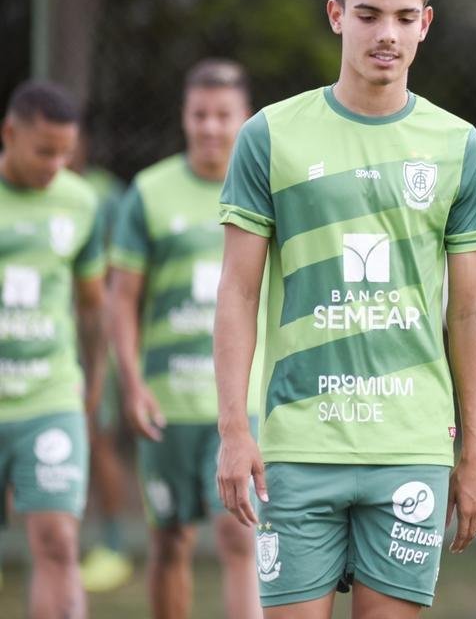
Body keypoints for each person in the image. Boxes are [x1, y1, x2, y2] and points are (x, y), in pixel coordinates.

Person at [214, 0, 476, 618]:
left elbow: (469, 312)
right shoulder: (269, 135)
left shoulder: (460, 147)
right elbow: (237, 293)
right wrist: (235, 430)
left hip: (409, 445)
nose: (387, 34)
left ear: (426, 24)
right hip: (299, 442)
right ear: (336, 14)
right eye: (370, 13)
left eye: (405, 17)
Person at [109, 59, 261, 618]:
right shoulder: (149, 192)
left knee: (241, 536)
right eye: (200, 114)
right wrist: (131, 383)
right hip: (169, 402)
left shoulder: (265, 189)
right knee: (171, 541)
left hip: (242, 405)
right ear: (184, 117)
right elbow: (120, 298)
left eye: (224, 115)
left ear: (245, 118)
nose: (211, 127)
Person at [0, 80, 106, 618]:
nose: (56, 165)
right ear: (9, 134)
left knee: (58, 543)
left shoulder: (81, 202)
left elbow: (91, 303)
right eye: (44, 151)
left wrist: (96, 376)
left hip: (48, 398)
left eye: (66, 152)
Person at [71, 130, 136, 593]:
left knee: (98, 439)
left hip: (91, 337)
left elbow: (118, 271)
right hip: (27, 338)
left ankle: (112, 545)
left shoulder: (105, 195)